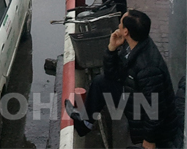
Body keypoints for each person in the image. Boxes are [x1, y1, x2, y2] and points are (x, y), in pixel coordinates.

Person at [65, 10, 179, 148]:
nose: (118, 25)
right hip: (135, 96)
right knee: (101, 82)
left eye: (120, 23)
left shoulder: (149, 69)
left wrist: (149, 140)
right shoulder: (132, 44)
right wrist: (111, 49)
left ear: (126, 31)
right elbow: (111, 75)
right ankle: (84, 124)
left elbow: (156, 110)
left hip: (148, 114)